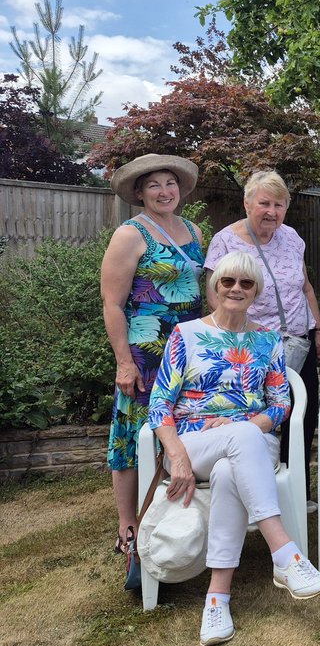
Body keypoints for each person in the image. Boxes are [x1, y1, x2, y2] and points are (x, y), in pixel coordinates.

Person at [147, 252, 320, 646]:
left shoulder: (267, 340)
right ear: (215, 287)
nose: (236, 289)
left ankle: (217, 599)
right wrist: (176, 455)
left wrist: (244, 427)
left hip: (252, 442)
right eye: (228, 281)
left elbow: (280, 404)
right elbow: (159, 404)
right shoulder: (186, 334)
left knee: (232, 465)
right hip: (194, 442)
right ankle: (285, 554)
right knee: (241, 438)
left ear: (255, 292)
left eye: (246, 283)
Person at [100, 154, 204, 566]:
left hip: (187, 350)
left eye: (170, 183)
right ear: (140, 193)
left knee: (179, 430)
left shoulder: (193, 231)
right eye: (154, 185)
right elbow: (112, 304)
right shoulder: (131, 234)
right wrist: (124, 362)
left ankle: (172, 515)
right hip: (146, 352)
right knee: (133, 435)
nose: (165, 191)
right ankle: (128, 526)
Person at [205, 170, 320, 506]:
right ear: (247, 203)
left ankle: (297, 491)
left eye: (279, 205)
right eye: (264, 203)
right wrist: (235, 338)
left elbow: (305, 287)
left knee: (302, 414)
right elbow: (216, 295)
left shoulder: (292, 238)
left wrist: (317, 328)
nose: (272, 211)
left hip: (298, 342)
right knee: (257, 414)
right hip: (252, 346)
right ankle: (254, 492)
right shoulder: (225, 242)